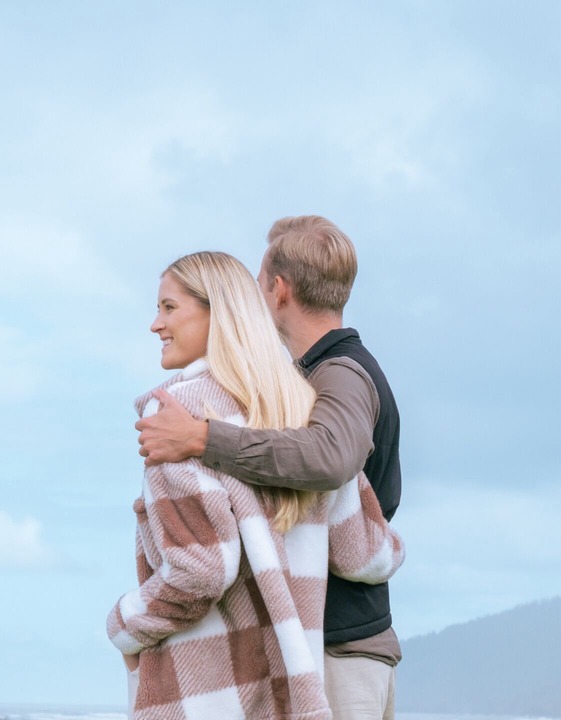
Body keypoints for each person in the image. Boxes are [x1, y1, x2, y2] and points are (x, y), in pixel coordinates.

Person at [108, 250, 405, 720]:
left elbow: (200, 570)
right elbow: (365, 553)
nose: (155, 324)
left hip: (204, 692)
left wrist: (126, 622)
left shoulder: (176, 418)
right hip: (291, 691)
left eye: (168, 307)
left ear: (217, 313)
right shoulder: (301, 406)